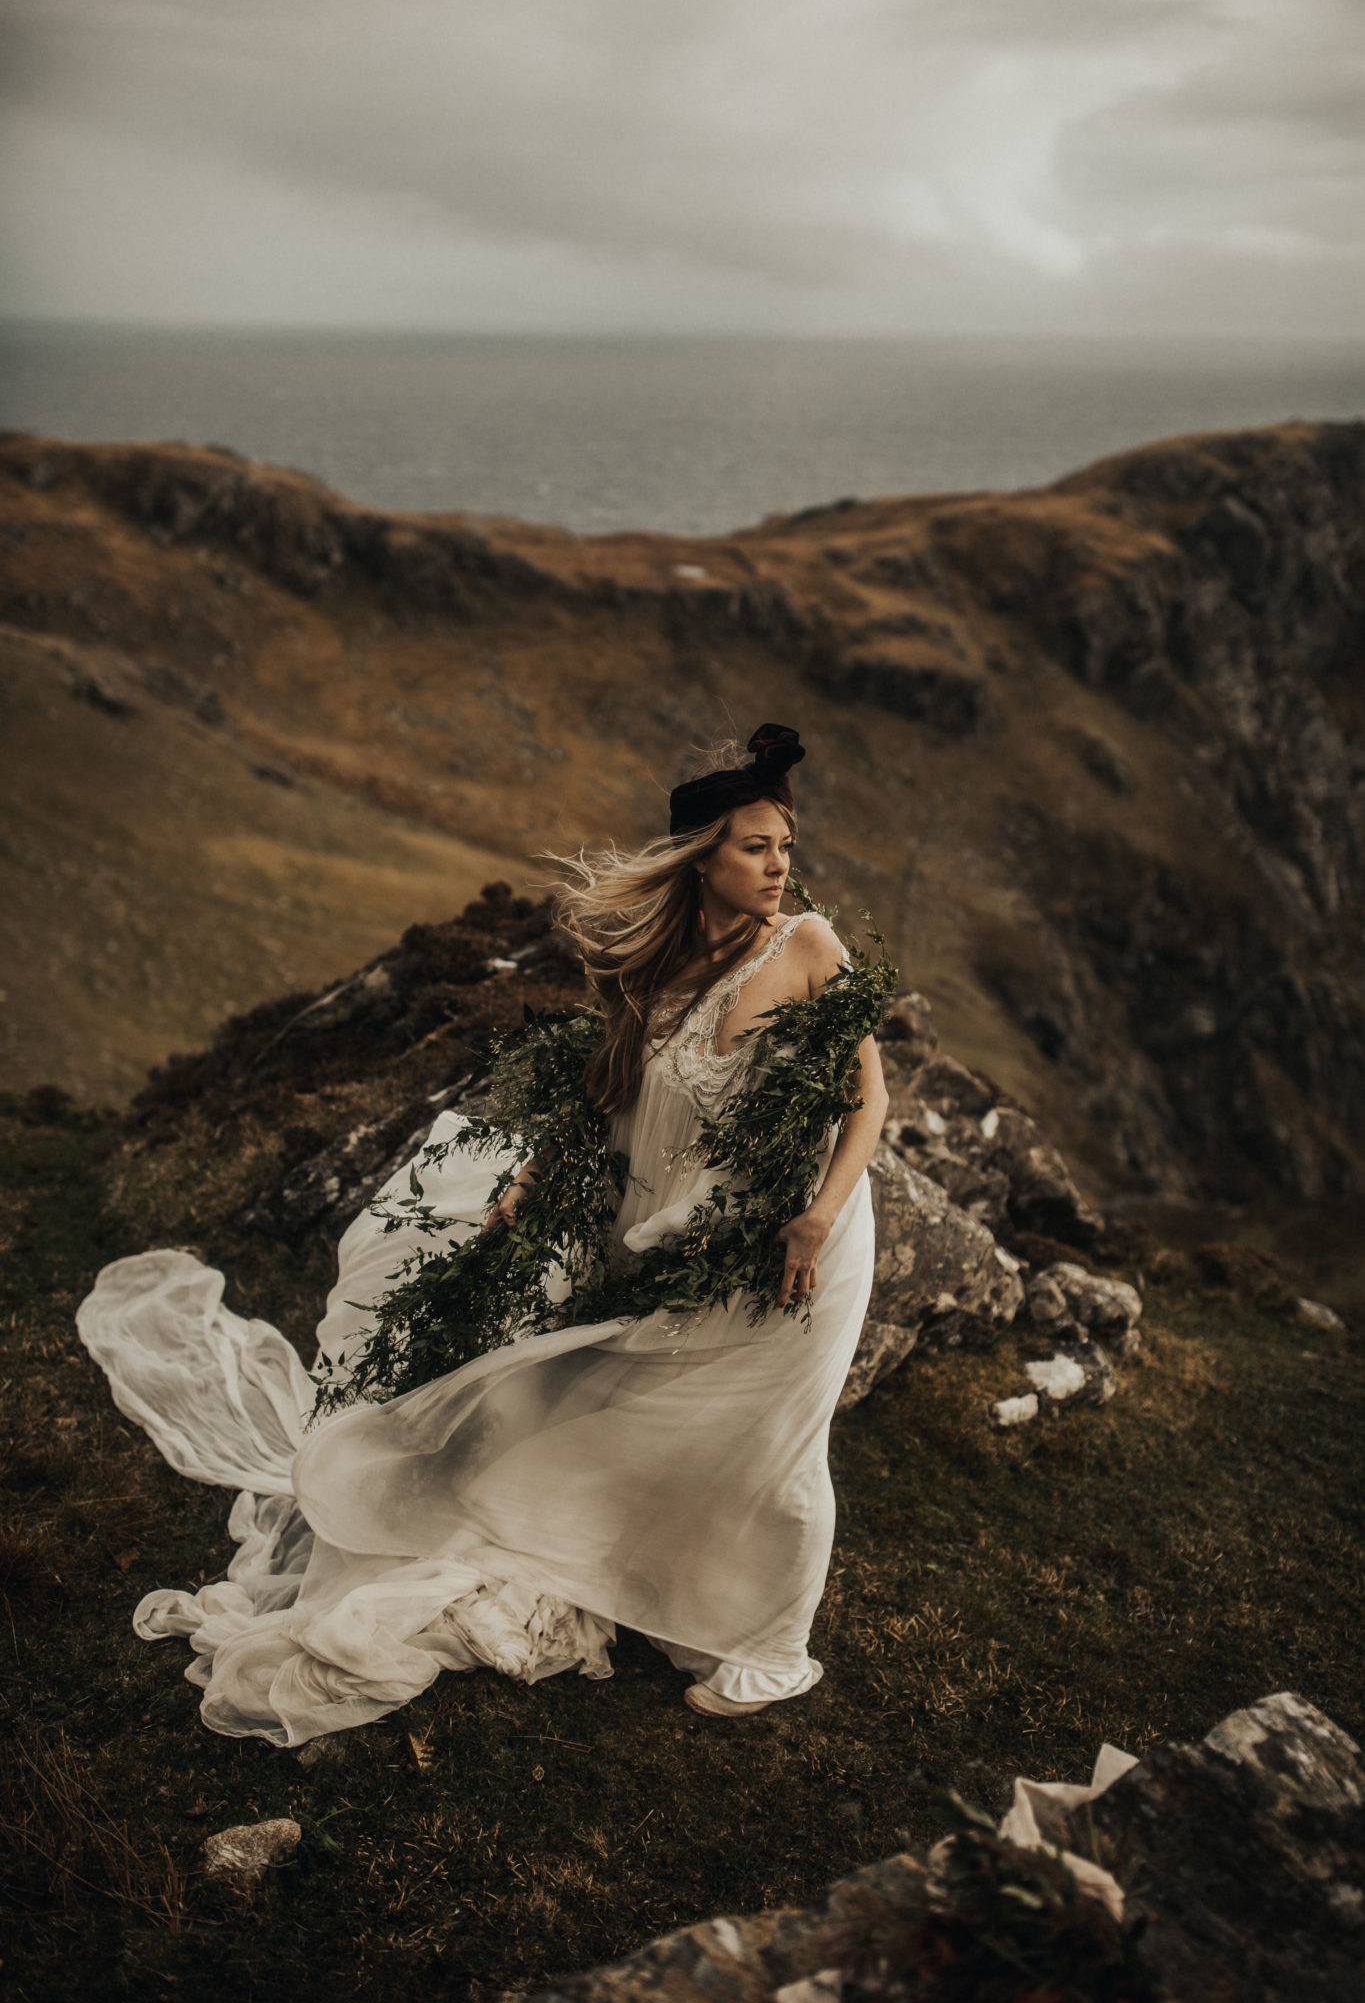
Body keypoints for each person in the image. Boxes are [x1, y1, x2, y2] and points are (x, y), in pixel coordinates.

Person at [76, 724, 887, 1743]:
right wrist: (539, 1182)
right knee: (637, 1410)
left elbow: (870, 1098)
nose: (780, 865)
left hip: (800, 1237)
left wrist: (815, 1217)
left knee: (773, 1434)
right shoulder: (650, 971)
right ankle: (658, 1578)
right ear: (700, 860)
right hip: (661, 1233)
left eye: (785, 845)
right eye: (757, 847)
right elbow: (611, 1095)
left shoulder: (810, 946)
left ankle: (775, 1649)